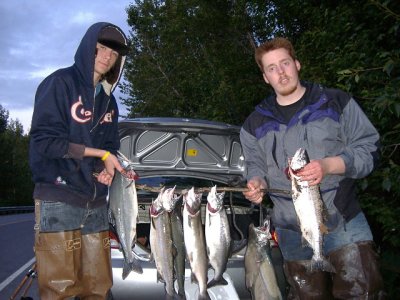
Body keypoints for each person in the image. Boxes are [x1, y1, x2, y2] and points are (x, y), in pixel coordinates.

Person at [240, 37, 385, 299]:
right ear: (265, 77)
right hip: (290, 232)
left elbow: (370, 149)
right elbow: (254, 165)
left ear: (297, 64)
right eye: (272, 68)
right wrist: (256, 183)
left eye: (285, 63)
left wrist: (330, 165)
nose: (281, 72)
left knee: (362, 293)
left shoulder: (335, 102)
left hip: (344, 221)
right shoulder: (253, 124)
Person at [29, 22, 131, 299]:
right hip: (59, 196)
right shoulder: (59, 84)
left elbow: (109, 146)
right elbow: (45, 142)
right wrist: (100, 155)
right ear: (88, 49)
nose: (106, 57)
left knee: (97, 288)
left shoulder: (110, 103)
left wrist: (103, 170)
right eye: (100, 49)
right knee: (59, 289)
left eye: (113, 54)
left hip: (96, 203)